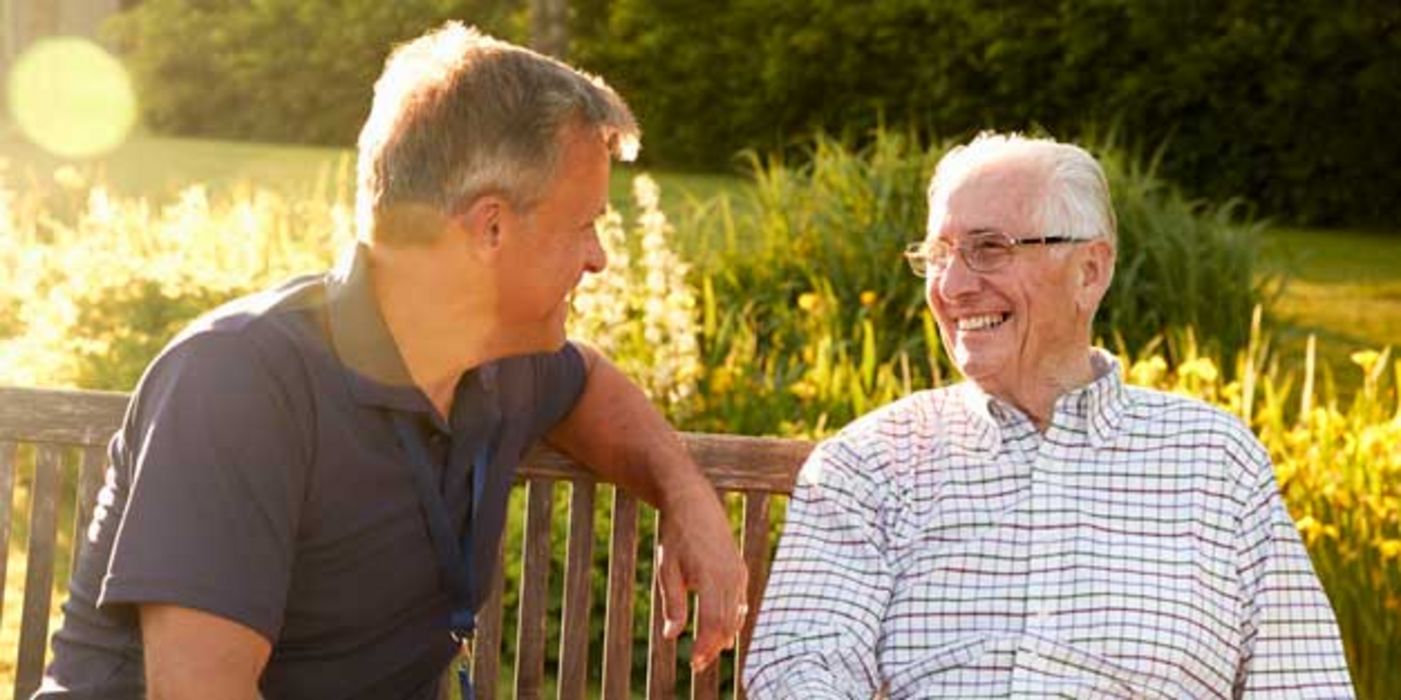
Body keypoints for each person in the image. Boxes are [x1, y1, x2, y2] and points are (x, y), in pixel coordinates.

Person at [37, 23, 746, 699]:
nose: (598, 258)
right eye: (584, 223)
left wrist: (687, 499)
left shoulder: (495, 363)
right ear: (490, 226)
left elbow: (588, 381)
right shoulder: (238, 382)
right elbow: (198, 692)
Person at [743, 133, 1354, 698]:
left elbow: (1300, 678)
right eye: (938, 254)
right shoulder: (872, 463)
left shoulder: (1214, 460)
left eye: (988, 249)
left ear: (1090, 270)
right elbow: (798, 668)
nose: (952, 286)